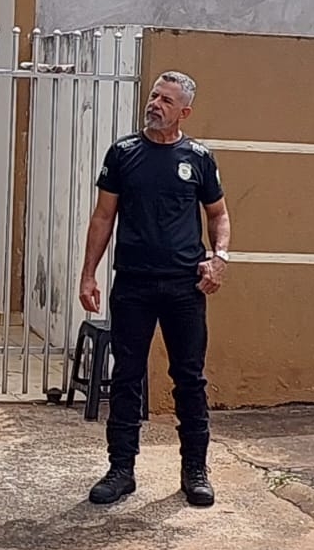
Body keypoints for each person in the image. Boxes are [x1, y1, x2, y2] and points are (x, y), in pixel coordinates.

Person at [77, 70, 230, 508]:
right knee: (126, 376)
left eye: (166, 100)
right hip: (134, 285)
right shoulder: (124, 154)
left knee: (189, 379)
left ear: (185, 111)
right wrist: (89, 274)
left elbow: (219, 215)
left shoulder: (199, 157)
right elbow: (103, 217)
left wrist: (218, 259)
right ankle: (121, 469)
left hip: (185, 286)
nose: (155, 104)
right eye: (153, 96)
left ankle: (195, 471)